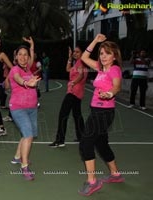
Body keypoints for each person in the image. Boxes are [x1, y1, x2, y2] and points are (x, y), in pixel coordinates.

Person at [78, 34, 125, 196]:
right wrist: (95, 41)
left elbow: (117, 86)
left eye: (108, 53)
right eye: (102, 53)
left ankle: (92, 181)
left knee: (85, 143)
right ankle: (115, 175)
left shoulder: (114, 69)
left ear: (114, 56)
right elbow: (84, 57)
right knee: (101, 145)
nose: (103, 56)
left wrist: (110, 93)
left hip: (103, 113)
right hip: (97, 111)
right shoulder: (100, 67)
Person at [9, 38, 41, 180]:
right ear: (16, 56)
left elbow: (32, 55)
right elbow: (18, 79)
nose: (23, 57)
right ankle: (24, 166)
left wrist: (32, 46)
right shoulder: (15, 70)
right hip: (18, 108)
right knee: (28, 134)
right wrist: (27, 83)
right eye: (20, 54)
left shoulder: (28, 68)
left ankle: (17, 157)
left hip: (32, 108)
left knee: (28, 134)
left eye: (25, 55)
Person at [49, 46, 88, 148]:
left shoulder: (81, 62)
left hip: (73, 92)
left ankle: (60, 140)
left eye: (77, 52)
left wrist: (73, 82)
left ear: (83, 53)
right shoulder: (78, 63)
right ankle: (82, 137)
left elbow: (81, 75)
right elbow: (67, 69)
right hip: (77, 93)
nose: (75, 53)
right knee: (77, 115)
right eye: (74, 52)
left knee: (63, 115)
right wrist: (69, 58)